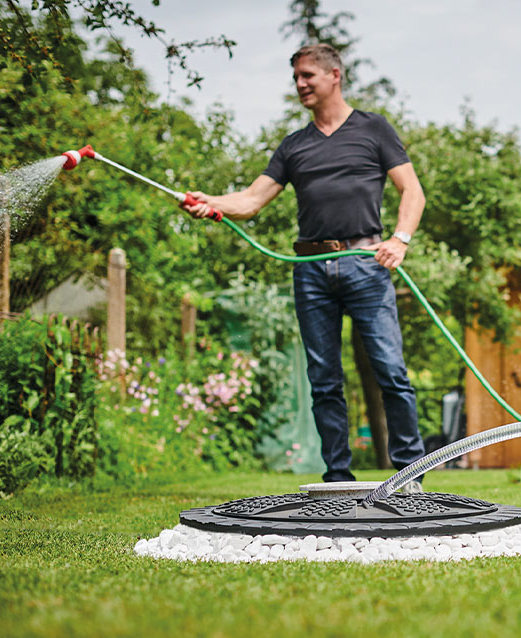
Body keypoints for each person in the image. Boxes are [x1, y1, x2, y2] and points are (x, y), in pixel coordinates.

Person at [182, 43, 426, 485]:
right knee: (324, 378)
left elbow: (412, 190)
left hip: (365, 263)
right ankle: (337, 476)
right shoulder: (294, 146)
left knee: (390, 370)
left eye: (308, 75)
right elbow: (252, 200)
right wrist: (209, 201)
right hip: (311, 269)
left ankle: (410, 473)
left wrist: (400, 239)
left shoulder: (374, 129)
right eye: (296, 77)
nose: (300, 84)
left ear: (335, 75)